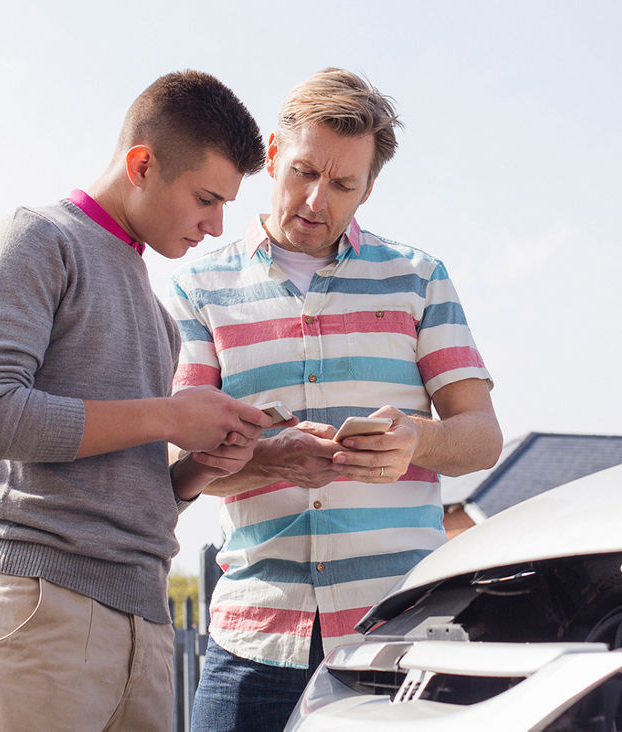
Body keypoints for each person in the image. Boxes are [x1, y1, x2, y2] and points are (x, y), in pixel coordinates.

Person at [166, 68, 502, 730]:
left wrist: (418, 437)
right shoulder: (198, 287)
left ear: (369, 187)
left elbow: (482, 437)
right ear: (270, 156)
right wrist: (273, 458)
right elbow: (184, 462)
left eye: (344, 184)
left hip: (397, 635)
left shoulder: (420, 277)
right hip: (254, 637)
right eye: (302, 172)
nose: (317, 199)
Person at [0, 70, 274, 731]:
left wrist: (200, 467)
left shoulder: (157, 314)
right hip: (40, 607)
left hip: (145, 623)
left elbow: (128, 479)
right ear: (142, 164)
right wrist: (173, 416)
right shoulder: (35, 240)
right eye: (207, 199)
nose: (215, 226)